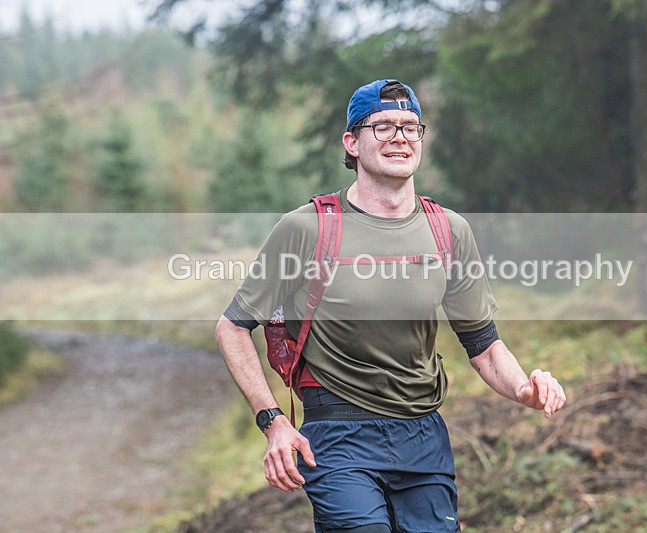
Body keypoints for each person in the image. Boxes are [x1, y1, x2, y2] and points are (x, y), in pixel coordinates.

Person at [215, 78, 567, 533]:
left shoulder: (448, 231)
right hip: (337, 431)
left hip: (423, 434)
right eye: (382, 127)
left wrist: (524, 389)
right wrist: (274, 422)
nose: (400, 136)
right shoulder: (307, 228)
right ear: (352, 143)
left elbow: (483, 345)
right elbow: (232, 326)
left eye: (410, 126)